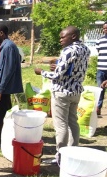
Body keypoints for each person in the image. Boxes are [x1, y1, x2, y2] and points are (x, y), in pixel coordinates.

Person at [34, 26, 90, 164]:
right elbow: (72, 68)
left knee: (61, 125)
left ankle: (61, 156)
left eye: (63, 37)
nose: (60, 40)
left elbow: (58, 75)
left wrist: (41, 72)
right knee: (73, 122)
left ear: (73, 36)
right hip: (76, 91)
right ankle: (73, 152)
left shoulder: (68, 50)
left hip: (62, 92)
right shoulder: (85, 49)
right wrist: (59, 64)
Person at [0, 24, 23, 146]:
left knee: (3, 115)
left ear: (1, 33)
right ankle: (1, 139)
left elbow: (7, 71)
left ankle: (2, 141)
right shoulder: (5, 46)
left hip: (3, 89)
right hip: (2, 87)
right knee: (2, 112)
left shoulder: (8, 47)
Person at [95, 22, 107, 116]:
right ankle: (98, 108)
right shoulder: (99, 40)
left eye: (106, 28)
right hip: (101, 69)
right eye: (104, 28)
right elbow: (99, 51)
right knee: (100, 89)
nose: (105, 29)